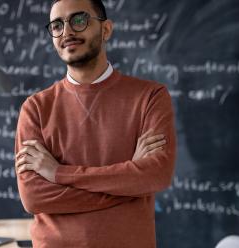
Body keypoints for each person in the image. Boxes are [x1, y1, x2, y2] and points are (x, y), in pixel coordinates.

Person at [14, 0, 176, 247]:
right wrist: (129, 183)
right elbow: (34, 197)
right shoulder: (35, 108)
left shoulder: (150, 97)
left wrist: (58, 173)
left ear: (106, 29)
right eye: (57, 25)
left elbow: (156, 175)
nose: (67, 31)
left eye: (79, 20)